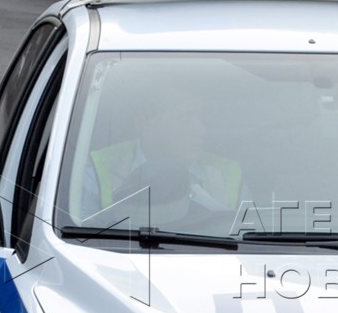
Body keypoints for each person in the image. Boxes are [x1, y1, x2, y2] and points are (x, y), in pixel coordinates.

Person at [86, 87, 245, 229]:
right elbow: (82, 242)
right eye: (185, 118)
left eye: (201, 117)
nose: (201, 129)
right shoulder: (98, 168)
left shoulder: (229, 172)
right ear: (143, 123)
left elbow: (246, 237)